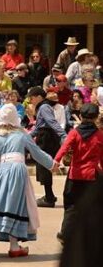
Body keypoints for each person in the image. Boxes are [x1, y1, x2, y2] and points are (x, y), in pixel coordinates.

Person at [0, 103, 57, 260]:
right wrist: (51, 163)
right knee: (14, 206)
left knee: (7, 205)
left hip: (2, 170)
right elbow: (36, 153)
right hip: (18, 171)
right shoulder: (22, 135)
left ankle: (14, 247)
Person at [54, 103, 103, 244]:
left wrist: (56, 162)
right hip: (92, 176)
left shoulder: (74, 133)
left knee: (71, 206)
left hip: (74, 175)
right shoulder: (100, 135)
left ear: (80, 116)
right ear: (96, 118)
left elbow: (64, 148)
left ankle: (65, 234)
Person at [28, 87, 67, 207]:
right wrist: (27, 136)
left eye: (32, 98)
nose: (31, 101)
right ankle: (48, 195)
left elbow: (52, 122)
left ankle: (49, 198)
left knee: (45, 167)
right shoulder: (43, 107)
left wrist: (64, 136)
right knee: (43, 166)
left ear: (39, 97)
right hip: (44, 136)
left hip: (47, 139)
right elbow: (39, 126)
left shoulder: (44, 107)